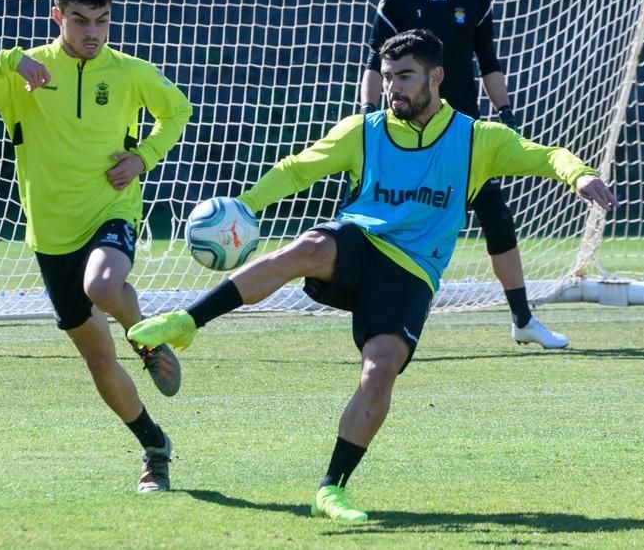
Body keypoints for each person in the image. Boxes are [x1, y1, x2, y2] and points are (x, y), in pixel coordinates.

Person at [128, 29, 618, 520]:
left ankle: (331, 489)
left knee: (380, 369)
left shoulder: (477, 139)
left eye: (405, 77)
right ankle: (186, 323)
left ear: (437, 76)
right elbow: (298, 169)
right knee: (311, 245)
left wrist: (579, 174)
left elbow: (545, 154)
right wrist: (246, 207)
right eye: (387, 78)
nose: (393, 89)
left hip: (411, 274)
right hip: (359, 244)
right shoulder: (364, 131)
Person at [0, 0, 193, 493]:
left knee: (101, 286)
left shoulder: (131, 72)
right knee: (98, 361)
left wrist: (143, 157)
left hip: (112, 211)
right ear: (58, 18)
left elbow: (178, 111)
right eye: (79, 21)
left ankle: (145, 337)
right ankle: (153, 446)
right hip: (51, 236)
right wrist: (10, 58)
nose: (91, 32)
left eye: (101, 21)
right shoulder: (24, 74)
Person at [358, 0, 569, 348]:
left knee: (497, 219)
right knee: (377, 220)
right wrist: (368, 114)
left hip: (460, 135)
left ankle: (523, 320)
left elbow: (488, 63)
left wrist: (505, 109)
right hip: (405, 136)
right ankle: (372, 319)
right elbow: (375, 65)